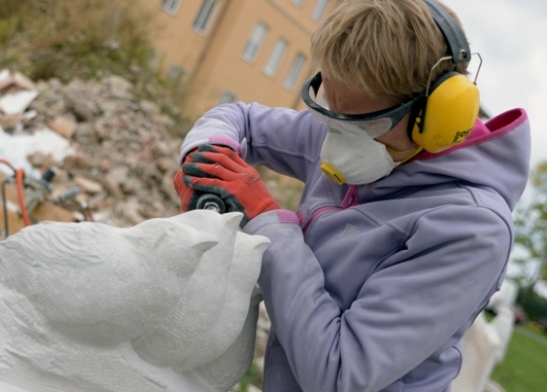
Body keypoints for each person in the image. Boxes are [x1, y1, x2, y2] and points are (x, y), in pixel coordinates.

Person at [172, 0, 531, 391]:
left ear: (440, 117)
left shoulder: (470, 229)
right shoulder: (350, 128)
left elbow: (340, 374)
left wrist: (267, 220)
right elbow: (241, 119)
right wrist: (208, 155)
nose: (338, 140)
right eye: (330, 110)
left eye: (365, 121)